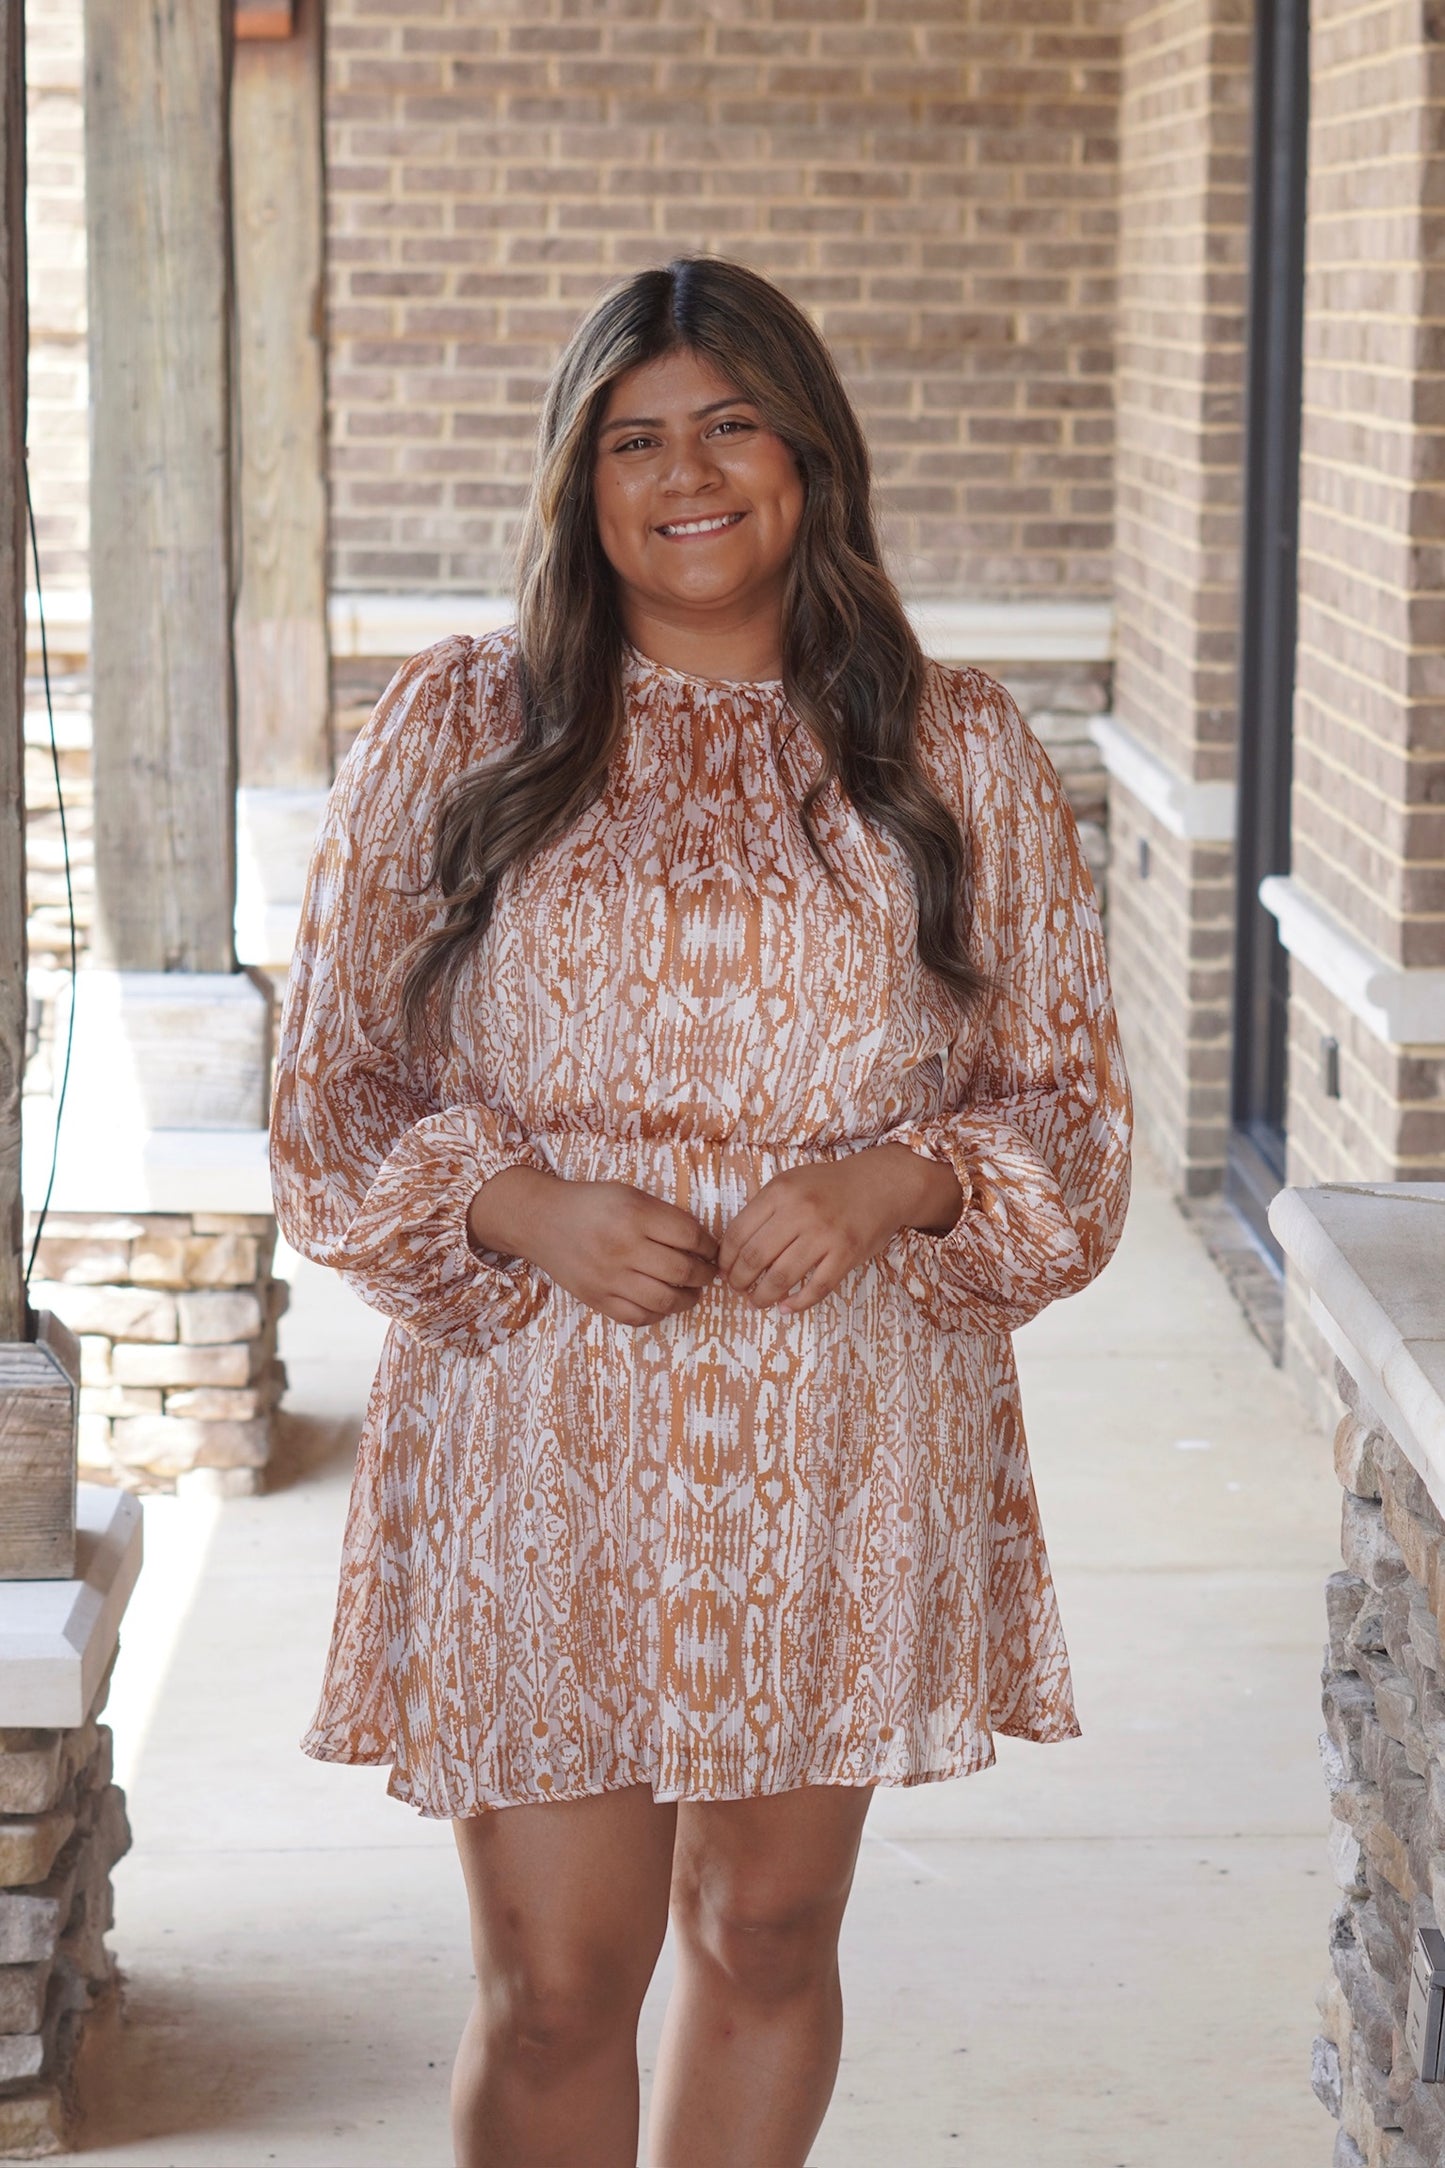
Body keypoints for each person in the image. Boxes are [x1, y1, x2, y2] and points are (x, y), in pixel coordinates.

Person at [269, 254, 1132, 2168]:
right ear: (577, 481)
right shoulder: (464, 725)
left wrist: (900, 1179)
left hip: (839, 1429)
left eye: (731, 425)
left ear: (807, 453)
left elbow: (1068, 1119)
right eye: (634, 439)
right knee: (556, 1982)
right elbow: (329, 1104)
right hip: (542, 1425)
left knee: (764, 1932)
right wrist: (520, 1205)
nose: (687, 475)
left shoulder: (954, 746)